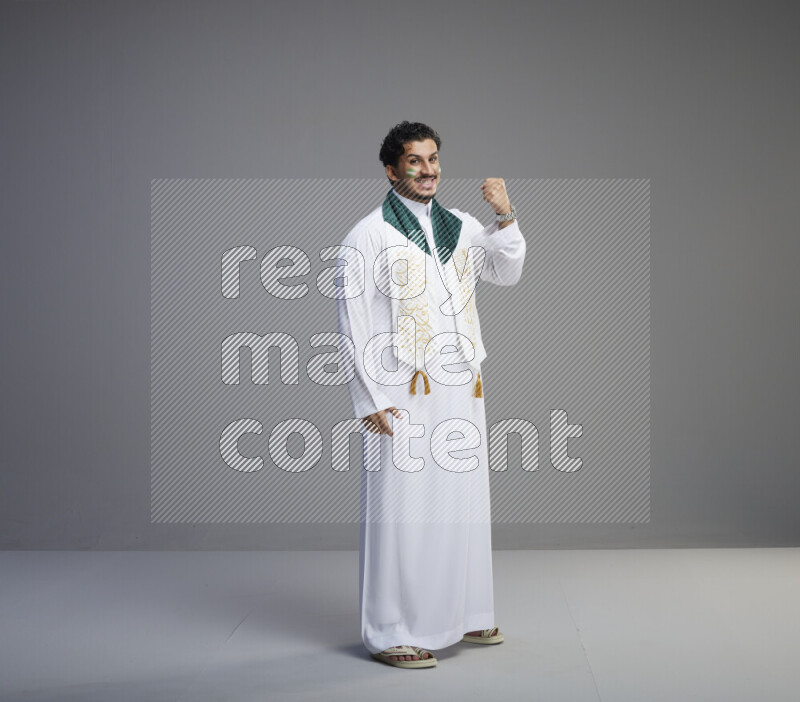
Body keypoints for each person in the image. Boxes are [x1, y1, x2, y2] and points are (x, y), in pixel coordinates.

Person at [335, 121, 526, 669]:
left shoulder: (461, 227)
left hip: (461, 386)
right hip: (402, 389)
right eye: (414, 161)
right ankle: (391, 629)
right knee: (403, 509)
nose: (428, 170)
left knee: (461, 501)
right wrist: (369, 399)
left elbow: (506, 271)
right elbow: (352, 322)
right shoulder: (368, 235)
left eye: (433, 159)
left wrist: (505, 214)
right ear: (391, 170)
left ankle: (464, 612)